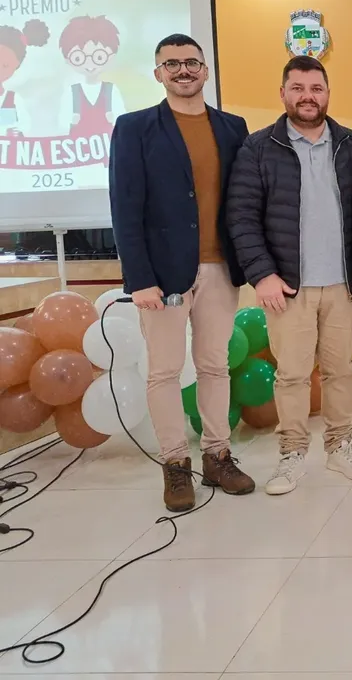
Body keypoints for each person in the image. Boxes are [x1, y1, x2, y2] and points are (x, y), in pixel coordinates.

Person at [109, 33, 254, 513]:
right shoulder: (134, 128)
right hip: (162, 274)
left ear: (205, 70)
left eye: (191, 62)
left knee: (215, 366)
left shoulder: (232, 127)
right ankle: (175, 464)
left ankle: (217, 456)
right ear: (158, 74)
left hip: (220, 267)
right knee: (165, 371)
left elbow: (243, 199)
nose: (183, 70)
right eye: (171, 64)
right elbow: (125, 207)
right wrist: (139, 278)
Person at [227, 55, 352, 495]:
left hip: (343, 284)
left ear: (327, 93)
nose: (307, 97)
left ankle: (340, 447)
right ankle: (291, 454)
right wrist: (263, 275)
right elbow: (241, 217)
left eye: (316, 89)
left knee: (340, 370)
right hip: (288, 287)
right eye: (298, 88)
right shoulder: (257, 148)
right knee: (291, 375)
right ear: (283, 93)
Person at [59, 15, 126, 134]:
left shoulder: (111, 90)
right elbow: (63, 123)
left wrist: (113, 119)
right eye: (79, 58)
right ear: (68, 60)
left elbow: (121, 118)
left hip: (107, 142)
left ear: (111, 57)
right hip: (78, 142)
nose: (89, 64)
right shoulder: (72, 92)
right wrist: (71, 121)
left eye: (99, 57)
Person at [0, 19, 49, 137]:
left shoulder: (13, 99)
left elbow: (25, 124)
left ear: (16, 66)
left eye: (5, 65)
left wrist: (13, 130)